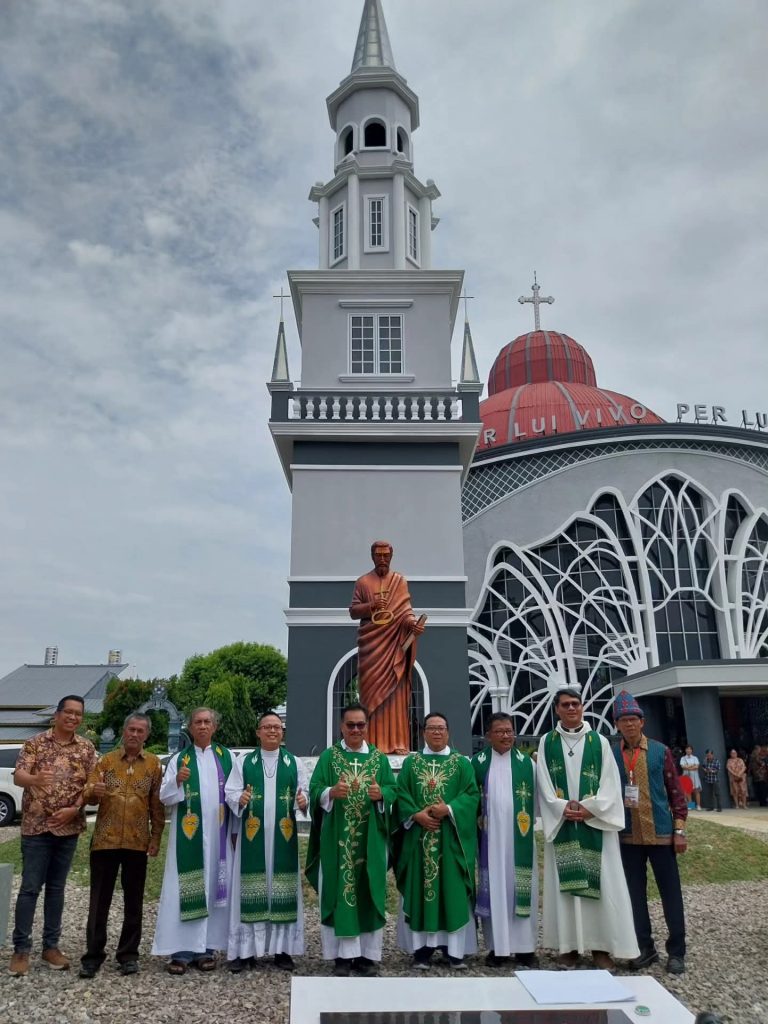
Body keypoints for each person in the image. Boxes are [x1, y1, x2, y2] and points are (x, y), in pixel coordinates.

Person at [536, 688, 639, 970]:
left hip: (595, 825)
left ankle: (600, 947)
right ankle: (568, 946)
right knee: (565, 889)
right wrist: (560, 808)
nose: (572, 709)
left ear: (582, 707)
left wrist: (590, 808)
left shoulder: (600, 742)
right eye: (566, 705)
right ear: (556, 709)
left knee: (604, 886)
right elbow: (542, 782)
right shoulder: (547, 742)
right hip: (564, 823)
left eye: (576, 704)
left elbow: (610, 782)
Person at [306, 703, 397, 977]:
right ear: (341, 727)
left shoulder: (379, 759)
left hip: (370, 840)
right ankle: (342, 957)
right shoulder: (329, 758)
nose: (356, 730)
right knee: (339, 890)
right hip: (337, 839)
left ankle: (367, 957)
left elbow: (394, 790)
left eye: (361, 725)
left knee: (368, 891)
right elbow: (314, 790)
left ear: (367, 727)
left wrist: (382, 795)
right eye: (351, 725)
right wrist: (330, 792)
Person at [9, 695, 97, 977]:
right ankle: (21, 949)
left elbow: (91, 786)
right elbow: (19, 776)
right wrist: (35, 780)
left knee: (57, 889)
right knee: (30, 889)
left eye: (78, 714)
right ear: (57, 715)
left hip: (68, 828)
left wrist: (74, 809)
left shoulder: (86, 748)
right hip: (37, 827)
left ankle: (51, 947)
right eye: (68, 712)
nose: (73, 718)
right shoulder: (35, 743)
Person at [78, 713, 164, 979]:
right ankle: (93, 956)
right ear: (123, 731)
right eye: (131, 729)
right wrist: (94, 792)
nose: (134, 735)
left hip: (137, 842)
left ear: (146, 735)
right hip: (106, 840)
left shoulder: (152, 765)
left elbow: (157, 805)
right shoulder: (106, 761)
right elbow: (87, 791)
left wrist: (156, 836)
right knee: (98, 900)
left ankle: (128, 954)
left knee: (134, 900)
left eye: (140, 731)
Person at [152, 708, 236, 974]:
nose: (202, 726)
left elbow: (235, 795)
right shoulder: (179, 759)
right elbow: (164, 797)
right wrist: (176, 781)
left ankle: (207, 949)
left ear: (215, 727)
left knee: (213, 888)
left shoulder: (228, 757)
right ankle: (182, 951)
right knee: (183, 889)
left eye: (207, 722)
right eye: (197, 722)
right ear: (189, 727)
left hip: (219, 838)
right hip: (188, 838)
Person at [393, 712, 479, 970]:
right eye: (432, 728)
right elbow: (401, 794)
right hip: (419, 842)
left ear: (448, 732)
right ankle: (422, 950)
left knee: (451, 892)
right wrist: (416, 815)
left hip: (451, 840)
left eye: (441, 728)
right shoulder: (412, 763)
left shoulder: (462, 763)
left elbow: (472, 795)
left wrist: (450, 809)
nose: (437, 733)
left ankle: (454, 951)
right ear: (423, 733)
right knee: (421, 891)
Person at [611, 691, 688, 976]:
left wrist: (679, 829)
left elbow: (676, 794)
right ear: (617, 724)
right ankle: (645, 948)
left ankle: (677, 951)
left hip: (661, 834)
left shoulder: (660, 751)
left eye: (634, 719)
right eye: (624, 720)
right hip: (628, 836)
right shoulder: (612, 757)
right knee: (634, 896)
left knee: (671, 895)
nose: (629, 725)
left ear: (642, 722)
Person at [225, 712, 308, 973]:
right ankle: (245, 951)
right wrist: (240, 799)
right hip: (253, 839)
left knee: (283, 890)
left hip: (283, 838)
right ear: (258, 732)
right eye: (267, 727)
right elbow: (230, 791)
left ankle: (282, 951)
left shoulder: (294, 763)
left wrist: (303, 804)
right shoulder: (244, 762)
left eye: (277, 727)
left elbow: (303, 794)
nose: (272, 731)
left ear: (282, 733)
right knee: (248, 891)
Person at [472, 712, 538, 968]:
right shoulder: (476, 763)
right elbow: (469, 801)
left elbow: (539, 803)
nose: (506, 735)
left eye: (509, 730)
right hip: (489, 842)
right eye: (499, 731)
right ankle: (497, 948)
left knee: (521, 888)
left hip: (520, 840)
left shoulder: (527, 765)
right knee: (495, 888)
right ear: (488, 736)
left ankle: (525, 948)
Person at [349, 540, 426, 754]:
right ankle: (371, 743)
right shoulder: (363, 582)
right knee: (370, 693)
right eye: (378, 555)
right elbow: (354, 611)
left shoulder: (400, 581)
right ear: (372, 556)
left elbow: (405, 610)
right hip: (371, 647)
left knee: (396, 694)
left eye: (386, 555)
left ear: (391, 556)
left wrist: (412, 625)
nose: (382, 559)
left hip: (394, 645)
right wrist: (372, 606)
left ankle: (397, 742)